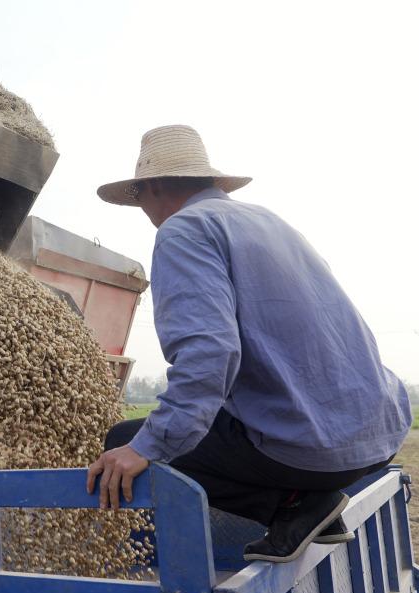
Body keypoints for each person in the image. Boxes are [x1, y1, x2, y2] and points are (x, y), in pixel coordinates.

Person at [87, 125, 412, 563]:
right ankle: (310, 507)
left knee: (126, 438)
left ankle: (293, 505)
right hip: (379, 432)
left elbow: (209, 354)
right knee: (198, 424)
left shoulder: (183, 231)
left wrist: (142, 448)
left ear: (154, 185)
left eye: (138, 196)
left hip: (314, 451)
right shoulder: (270, 223)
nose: (143, 209)